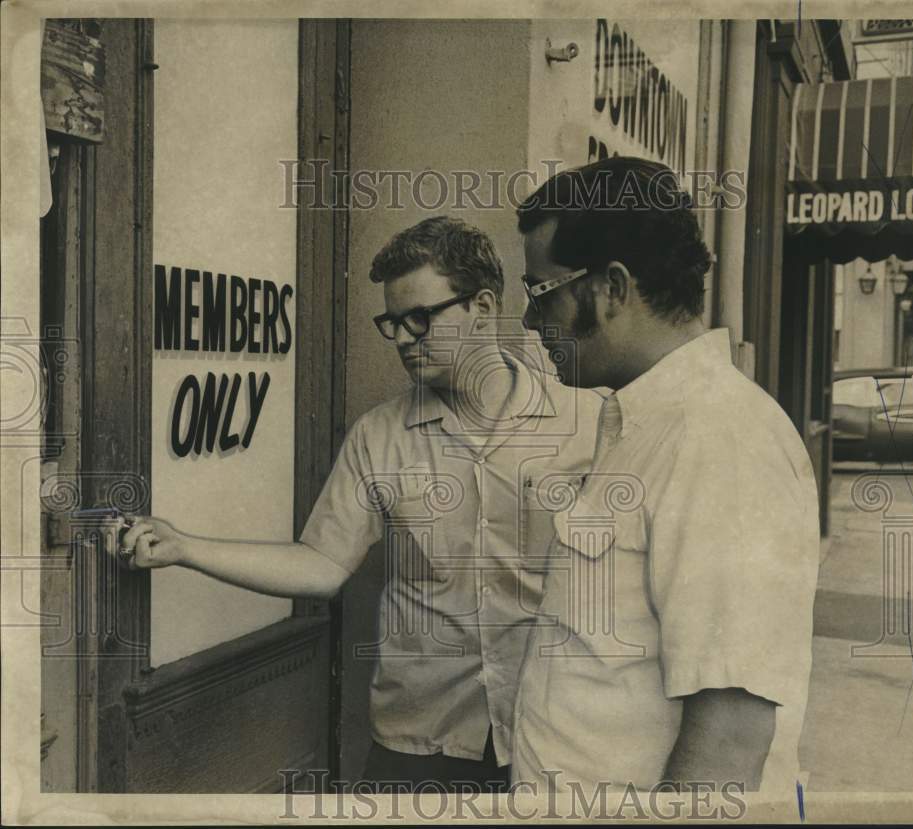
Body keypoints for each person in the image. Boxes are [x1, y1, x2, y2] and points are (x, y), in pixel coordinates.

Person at [119, 216, 601, 792]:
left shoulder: (588, 423)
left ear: (484, 305)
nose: (401, 339)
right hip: (420, 747)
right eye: (392, 323)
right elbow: (320, 565)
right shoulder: (380, 436)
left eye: (419, 319)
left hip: (552, 739)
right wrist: (185, 546)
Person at [512, 157, 820, 794]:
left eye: (540, 293)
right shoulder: (643, 423)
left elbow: (730, 735)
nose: (527, 322)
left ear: (613, 288)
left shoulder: (720, 441)